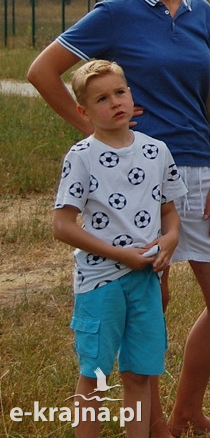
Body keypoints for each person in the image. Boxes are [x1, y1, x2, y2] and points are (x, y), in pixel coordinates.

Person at [27, 0, 210, 436]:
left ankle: (186, 414)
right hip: (139, 182)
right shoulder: (115, 12)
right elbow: (43, 71)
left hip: (198, 174)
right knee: (152, 306)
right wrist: (93, 130)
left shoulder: (202, 12)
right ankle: (150, 428)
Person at [53, 60, 186, 438]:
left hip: (145, 279)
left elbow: (169, 212)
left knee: (139, 373)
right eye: (101, 98)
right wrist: (119, 254)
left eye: (120, 92)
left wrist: (171, 238)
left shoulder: (157, 151)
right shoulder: (81, 157)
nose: (115, 102)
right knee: (95, 375)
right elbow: (62, 225)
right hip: (100, 283)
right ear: (84, 110)